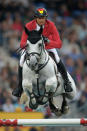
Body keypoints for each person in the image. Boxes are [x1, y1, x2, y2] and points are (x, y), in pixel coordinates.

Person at [12, 8, 72, 97]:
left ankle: (67, 82)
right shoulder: (29, 26)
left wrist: (48, 41)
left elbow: (59, 44)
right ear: (35, 18)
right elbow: (22, 43)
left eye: (43, 18)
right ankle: (19, 87)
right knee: (21, 60)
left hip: (47, 47)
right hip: (33, 49)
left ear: (46, 18)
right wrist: (31, 43)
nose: (41, 20)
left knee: (57, 58)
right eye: (39, 18)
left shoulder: (51, 25)